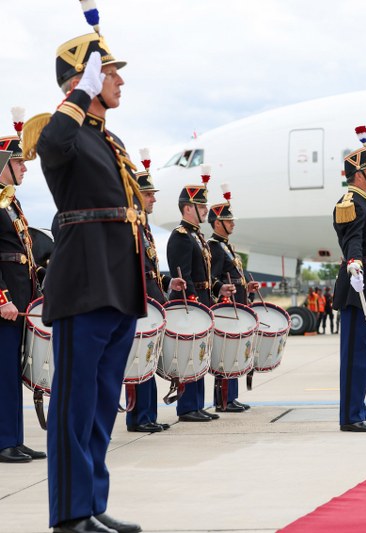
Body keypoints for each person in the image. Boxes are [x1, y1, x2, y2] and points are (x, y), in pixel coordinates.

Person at [37, 33, 145, 533]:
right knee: (74, 405)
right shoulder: (66, 130)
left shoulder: (107, 138)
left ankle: (92, 503)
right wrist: (80, 91)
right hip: (83, 284)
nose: (119, 79)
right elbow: (52, 145)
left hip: (117, 283)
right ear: (85, 79)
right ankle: (69, 514)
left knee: (103, 405)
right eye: (111, 71)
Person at [167, 166, 235, 423]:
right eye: (200, 206)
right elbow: (182, 275)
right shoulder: (181, 236)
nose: (206, 210)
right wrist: (194, 302)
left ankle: (197, 404)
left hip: (203, 302)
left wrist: (219, 288)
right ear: (187, 209)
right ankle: (186, 407)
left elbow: (206, 276)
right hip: (190, 304)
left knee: (200, 355)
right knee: (189, 356)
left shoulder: (197, 236)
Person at [331, 136, 366, 432]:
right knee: (355, 355)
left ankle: (359, 410)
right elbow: (352, 239)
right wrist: (353, 262)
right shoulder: (350, 203)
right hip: (359, 288)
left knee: (365, 356)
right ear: (359, 174)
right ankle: (351, 417)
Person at [125, 155, 186, 433]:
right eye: (149, 194)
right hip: (139, 302)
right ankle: (138, 417)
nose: (154, 200)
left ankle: (148, 414)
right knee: (139, 361)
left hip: (152, 298)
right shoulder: (130, 224)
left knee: (148, 359)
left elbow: (149, 268)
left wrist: (167, 282)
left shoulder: (144, 227)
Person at [0, 115, 47, 463]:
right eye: (19, 162)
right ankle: (4, 441)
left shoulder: (11, 203)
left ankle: (14, 437)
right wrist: (2, 298)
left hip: (20, 303)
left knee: (12, 372)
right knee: (2, 372)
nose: (25, 169)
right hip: (6, 305)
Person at [207, 185, 259, 412]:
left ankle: (232, 397)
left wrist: (247, 285)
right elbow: (213, 277)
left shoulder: (227, 247)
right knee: (226, 353)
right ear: (217, 223)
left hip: (239, 302)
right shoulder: (214, 247)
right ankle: (223, 400)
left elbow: (236, 275)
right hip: (228, 306)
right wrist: (221, 289)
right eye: (229, 221)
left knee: (237, 353)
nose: (233, 224)